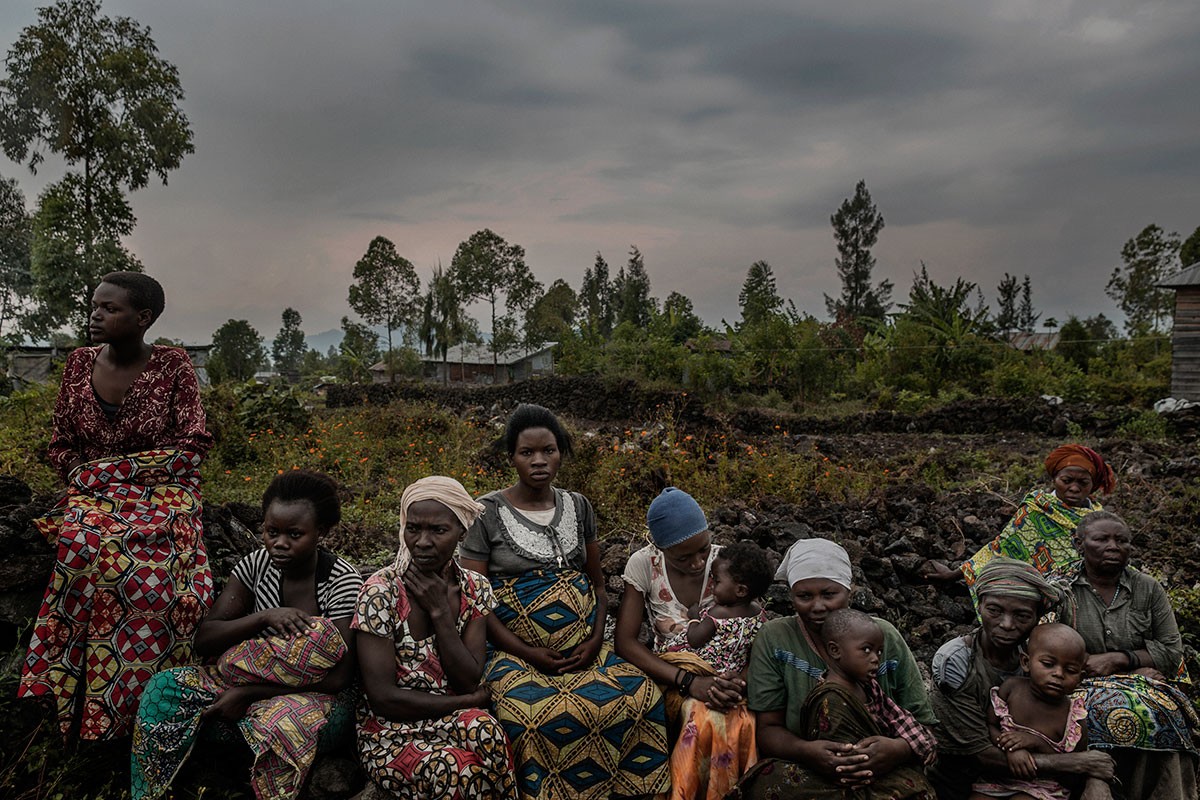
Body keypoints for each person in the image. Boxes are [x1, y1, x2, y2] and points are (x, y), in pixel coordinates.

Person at [20, 271, 215, 740]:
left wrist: (107, 473)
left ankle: (149, 706)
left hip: (164, 493)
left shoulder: (173, 367)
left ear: (143, 318)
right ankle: (67, 695)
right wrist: (85, 477)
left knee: (157, 574)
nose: (96, 315)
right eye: (94, 306)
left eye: (110, 308)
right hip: (91, 496)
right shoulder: (77, 365)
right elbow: (61, 445)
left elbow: (192, 446)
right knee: (83, 548)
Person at [459, 404, 669, 800]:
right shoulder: (485, 512)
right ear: (511, 457)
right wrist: (527, 651)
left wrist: (593, 641)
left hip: (584, 649)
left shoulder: (579, 506)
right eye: (527, 453)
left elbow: (598, 585)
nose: (539, 461)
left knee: (641, 697)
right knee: (537, 721)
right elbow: (475, 599)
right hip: (512, 652)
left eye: (549, 450)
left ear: (561, 452)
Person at [130, 470, 363, 800]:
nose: (279, 543)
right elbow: (206, 638)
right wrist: (263, 617)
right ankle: (151, 793)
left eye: (294, 534)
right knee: (163, 688)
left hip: (317, 696)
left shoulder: (342, 581)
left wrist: (251, 694)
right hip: (242, 676)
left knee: (283, 723)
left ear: (320, 532)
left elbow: (340, 677)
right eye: (271, 531)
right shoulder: (255, 565)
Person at [726, 538, 936, 800]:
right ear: (791, 596)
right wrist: (808, 752)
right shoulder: (775, 638)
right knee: (767, 781)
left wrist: (895, 750)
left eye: (829, 594)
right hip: (811, 768)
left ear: (849, 591)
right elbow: (768, 729)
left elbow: (924, 723)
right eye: (804, 596)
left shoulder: (883, 637)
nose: (817, 606)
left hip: (881, 770)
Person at [354, 476, 516, 799]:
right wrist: (465, 703)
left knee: (491, 736)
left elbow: (468, 678)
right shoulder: (380, 591)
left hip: (452, 717)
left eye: (438, 530)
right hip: (390, 732)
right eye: (413, 528)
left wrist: (441, 613)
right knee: (456, 769)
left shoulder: (474, 588)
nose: (423, 541)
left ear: (462, 533)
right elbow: (383, 698)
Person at [616, 496, 766, 800]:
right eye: (683, 558)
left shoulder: (727, 564)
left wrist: (739, 683)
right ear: (660, 549)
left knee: (743, 721)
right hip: (674, 674)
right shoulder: (644, 564)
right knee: (702, 718)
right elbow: (625, 642)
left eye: (703, 549)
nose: (698, 563)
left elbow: (756, 631)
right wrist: (689, 682)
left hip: (729, 678)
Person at [929, 557, 1115, 800]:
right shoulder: (955, 663)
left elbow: (1070, 726)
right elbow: (980, 753)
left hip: (1036, 784)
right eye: (994, 611)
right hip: (963, 780)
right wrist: (1077, 764)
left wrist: (1095, 777)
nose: (1007, 624)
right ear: (980, 605)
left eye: (1022, 616)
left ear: (1037, 617)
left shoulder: (1042, 657)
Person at [1057, 511, 1199, 800]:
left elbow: (1171, 652)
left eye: (1121, 540)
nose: (1113, 546)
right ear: (1079, 543)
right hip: (1076, 685)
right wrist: (1135, 667)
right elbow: (1048, 655)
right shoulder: (1060, 589)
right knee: (1090, 713)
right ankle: (1097, 784)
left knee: (1165, 714)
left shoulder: (1147, 588)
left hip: (1142, 684)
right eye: (1102, 539)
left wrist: (1120, 660)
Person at [789, 608, 938, 798]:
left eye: (879, 651)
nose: (875, 658)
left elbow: (898, 718)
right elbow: (847, 763)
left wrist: (914, 744)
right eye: (866, 650)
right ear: (835, 650)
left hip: (880, 764)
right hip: (852, 779)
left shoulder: (868, 686)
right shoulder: (831, 699)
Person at [924, 444, 1116, 592]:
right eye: (1066, 481)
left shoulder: (1099, 520)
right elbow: (1003, 547)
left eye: (1083, 482)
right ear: (1054, 479)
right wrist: (953, 575)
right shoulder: (1035, 509)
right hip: (1031, 593)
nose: (1074, 488)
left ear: (1093, 485)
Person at [970, 623, 1090, 800]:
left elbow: (1072, 768)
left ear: (1080, 678)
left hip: (1043, 787)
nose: (1058, 674)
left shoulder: (1073, 718)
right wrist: (1011, 750)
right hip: (998, 779)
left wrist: (1036, 743)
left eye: (1070, 670)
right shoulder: (1011, 689)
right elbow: (990, 726)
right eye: (1048, 664)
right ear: (1026, 662)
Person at [672, 541, 772, 674]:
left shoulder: (719, 613)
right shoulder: (759, 612)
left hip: (701, 667)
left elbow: (694, 640)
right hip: (731, 671)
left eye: (717, 581)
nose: (711, 585)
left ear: (741, 590)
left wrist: (694, 618)